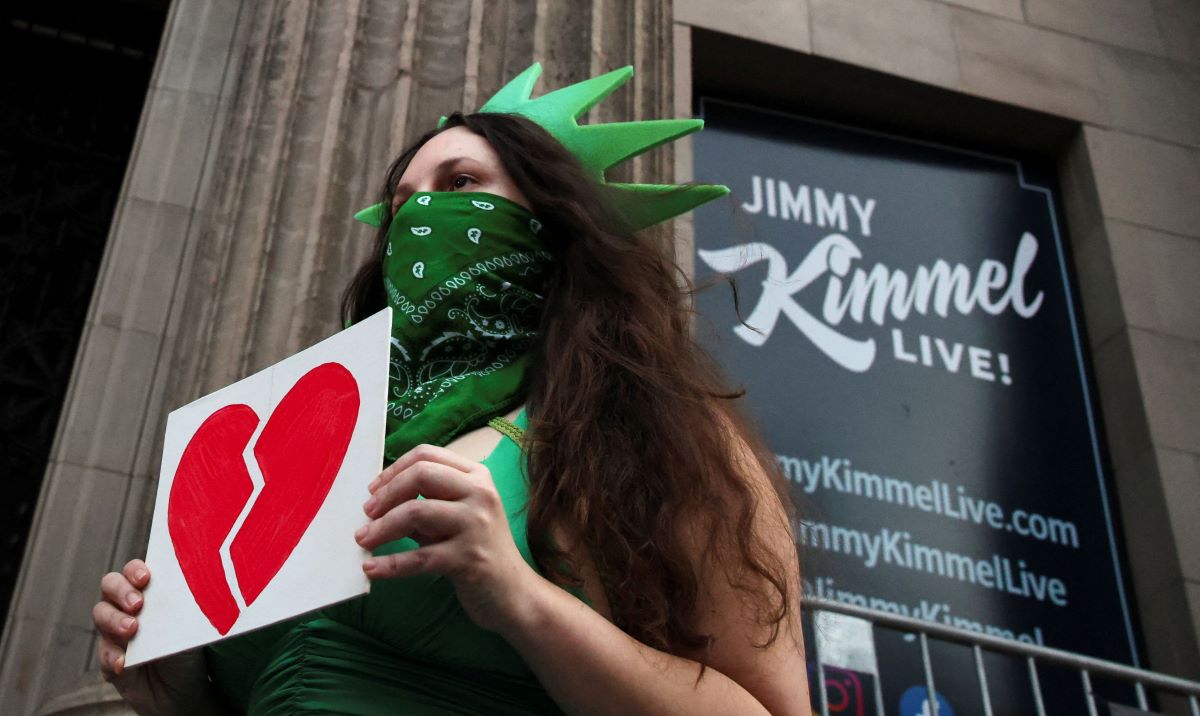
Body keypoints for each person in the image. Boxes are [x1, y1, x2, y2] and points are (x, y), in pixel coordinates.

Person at [92, 64, 811, 714]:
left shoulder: (651, 433)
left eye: (461, 184)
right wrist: (178, 694)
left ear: (554, 219)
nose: (417, 217)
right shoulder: (312, 442)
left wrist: (520, 598)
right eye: (400, 204)